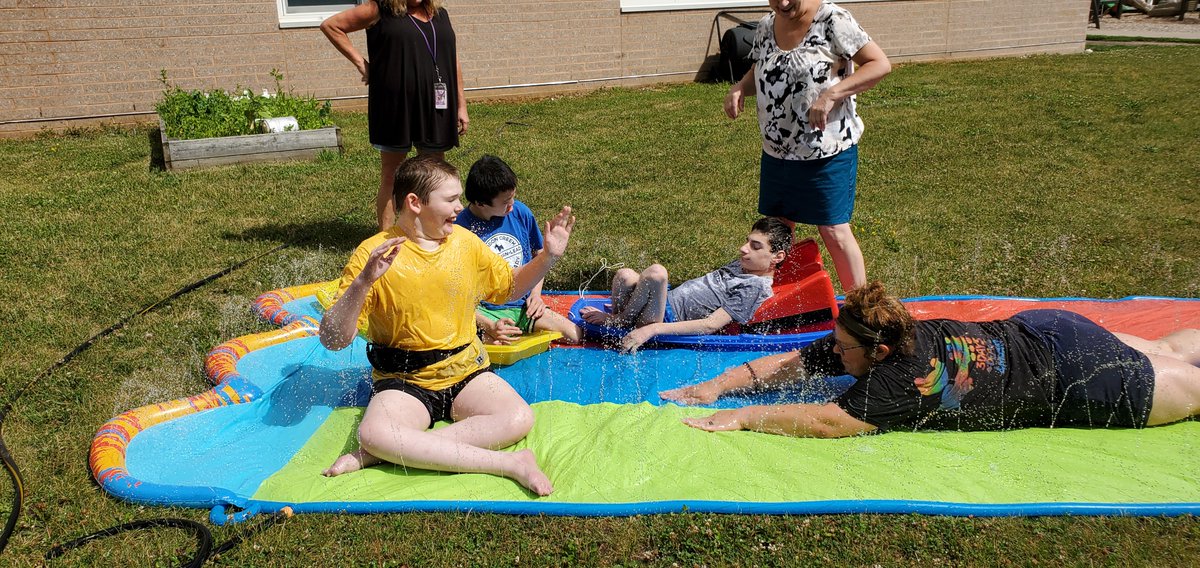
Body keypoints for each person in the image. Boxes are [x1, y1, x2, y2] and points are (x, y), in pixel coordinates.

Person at [318, 155, 575, 496]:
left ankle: (390, 453)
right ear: (415, 203)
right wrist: (364, 281)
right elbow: (333, 339)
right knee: (375, 434)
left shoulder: (465, 243)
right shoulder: (374, 254)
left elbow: (508, 288)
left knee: (518, 418)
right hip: (405, 380)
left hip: (467, 371)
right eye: (451, 200)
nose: (459, 208)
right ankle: (511, 464)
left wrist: (547, 257)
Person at [661, 281, 1200, 438]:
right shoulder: (871, 330)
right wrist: (722, 383)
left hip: (1079, 379)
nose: (834, 353)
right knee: (1170, 350)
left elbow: (827, 420)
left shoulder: (899, 380)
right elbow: (792, 363)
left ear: (881, 352)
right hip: (1049, 326)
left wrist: (743, 416)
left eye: (845, 350)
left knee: (1190, 386)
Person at [725, 0, 891, 292]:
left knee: (834, 231)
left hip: (825, 150)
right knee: (777, 229)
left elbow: (879, 64)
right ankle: (777, 301)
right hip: (778, 151)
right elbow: (761, 69)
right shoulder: (766, 26)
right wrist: (740, 87)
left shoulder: (833, 19)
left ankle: (862, 309)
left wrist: (832, 95)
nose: (784, 3)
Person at [321, 0, 469, 230]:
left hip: (435, 105)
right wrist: (362, 63)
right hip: (394, 104)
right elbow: (331, 26)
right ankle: (387, 237)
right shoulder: (379, 10)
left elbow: (453, 59)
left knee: (434, 173)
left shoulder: (440, 15)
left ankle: (433, 230)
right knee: (392, 173)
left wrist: (461, 105)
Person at [580, 218, 792, 353]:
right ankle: (622, 320)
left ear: (777, 256)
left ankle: (619, 321)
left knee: (657, 273)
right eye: (747, 241)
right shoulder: (747, 264)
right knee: (625, 275)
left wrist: (652, 330)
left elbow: (711, 325)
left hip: (664, 319)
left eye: (755, 246)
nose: (743, 249)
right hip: (661, 305)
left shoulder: (754, 287)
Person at [454, 155, 584, 345]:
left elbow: (538, 255)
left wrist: (536, 296)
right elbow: (455, 293)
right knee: (493, 343)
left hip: (523, 305)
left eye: (513, 197)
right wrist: (488, 324)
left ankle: (510, 329)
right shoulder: (461, 229)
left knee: (574, 334)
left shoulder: (520, 213)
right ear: (480, 203)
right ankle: (490, 334)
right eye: (506, 202)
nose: (512, 204)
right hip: (482, 310)